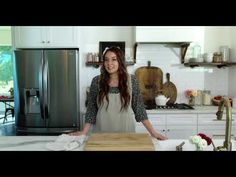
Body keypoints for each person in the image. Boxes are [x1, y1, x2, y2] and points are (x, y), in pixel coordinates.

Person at [70, 46, 167, 140]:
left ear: (120, 61)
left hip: (126, 134)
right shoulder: (96, 81)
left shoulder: (132, 80)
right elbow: (92, 109)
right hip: (101, 135)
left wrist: (153, 132)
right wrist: (84, 132)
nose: (109, 63)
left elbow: (139, 109)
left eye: (114, 59)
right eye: (106, 60)